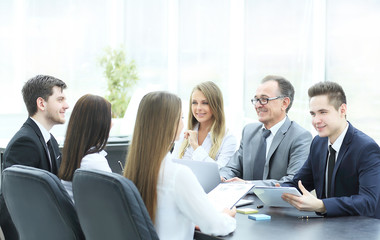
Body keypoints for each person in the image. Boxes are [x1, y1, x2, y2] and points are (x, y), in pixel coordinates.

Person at [124, 91, 236, 240]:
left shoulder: (133, 168)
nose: (184, 123)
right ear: (170, 123)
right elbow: (215, 226)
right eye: (181, 118)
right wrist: (226, 216)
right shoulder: (177, 174)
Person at [281, 81, 380, 218]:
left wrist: (322, 205)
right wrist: (269, 190)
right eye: (313, 114)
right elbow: (299, 183)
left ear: (342, 110)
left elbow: (368, 202)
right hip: (328, 226)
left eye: (323, 112)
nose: (316, 120)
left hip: (359, 229)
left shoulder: (366, 148)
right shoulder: (318, 142)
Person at [0, 75, 69, 240]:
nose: (66, 105)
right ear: (41, 103)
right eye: (60, 99)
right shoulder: (25, 142)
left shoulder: (49, 140)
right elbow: (10, 201)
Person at [220, 75, 312, 186]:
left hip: (277, 202)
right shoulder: (249, 131)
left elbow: (292, 181)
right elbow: (232, 168)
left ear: (284, 103)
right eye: (256, 100)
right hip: (243, 202)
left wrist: (247, 185)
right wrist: (223, 177)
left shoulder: (300, 137)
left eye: (264, 99)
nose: (258, 105)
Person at [58, 94, 112, 202]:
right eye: (109, 118)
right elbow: (116, 201)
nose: (112, 123)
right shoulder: (94, 162)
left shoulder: (76, 156)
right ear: (100, 123)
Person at [174, 81, 237, 169]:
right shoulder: (184, 133)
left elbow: (219, 172)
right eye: (194, 103)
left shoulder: (228, 138)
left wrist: (196, 147)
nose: (198, 108)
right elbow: (173, 166)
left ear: (215, 105)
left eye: (205, 103)